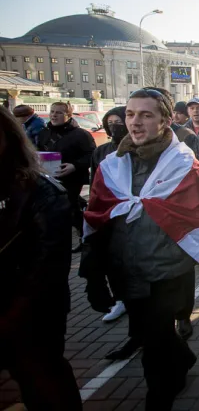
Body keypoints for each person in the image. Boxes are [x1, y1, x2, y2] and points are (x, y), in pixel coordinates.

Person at [82, 88, 199, 409]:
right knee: (150, 332)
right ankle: (183, 357)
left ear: (164, 121)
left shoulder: (186, 168)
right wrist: (92, 274)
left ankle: (159, 397)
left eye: (146, 115)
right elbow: (96, 219)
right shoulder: (111, 167)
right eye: (131, 114)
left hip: (168, 272)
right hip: (126, 271)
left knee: (153, 343)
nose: (135, 122)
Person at [0, 106, 83, 410]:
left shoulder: (39, 191)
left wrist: (10, 317)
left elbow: (49, 266)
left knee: (45, 386)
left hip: (31, 317)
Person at [89, 107, 131, 323]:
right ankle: (120, 300)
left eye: (119, 122)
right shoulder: (102, 152)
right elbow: (94, 184)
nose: (115, 127)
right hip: (109, 214)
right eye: (111, 123)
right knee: (112, 261)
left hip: (131, 215)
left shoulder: (138, 149)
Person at [37, 101, 96, 251]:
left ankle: (83, 236)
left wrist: (74, 166)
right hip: (48, 177)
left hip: (71, 178)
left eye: (58, 112)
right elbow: (37, 151)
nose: (54, 115)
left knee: (67, 208)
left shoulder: (81, 134)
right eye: (52, 111)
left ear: (68, 115)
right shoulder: (44, 133)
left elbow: (91, 154)